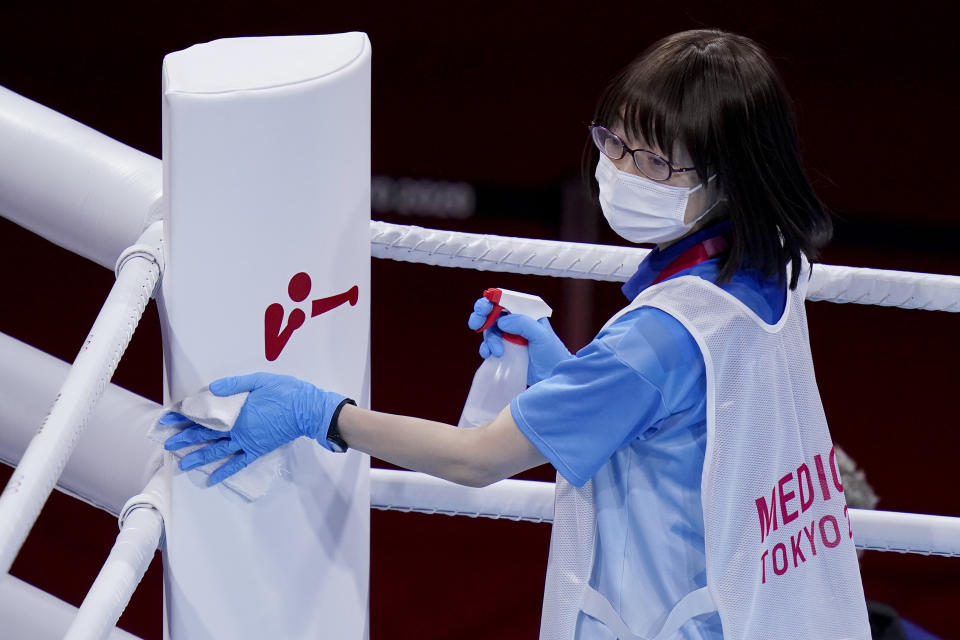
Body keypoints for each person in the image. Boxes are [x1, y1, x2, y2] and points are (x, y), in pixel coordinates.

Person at [163, 29, 870, 639]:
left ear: (728, 179)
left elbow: (476, 460)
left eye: (654, 162)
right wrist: (576, 379)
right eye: (614, 140)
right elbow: (692, 415)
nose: (618, 169)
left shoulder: (656, 341)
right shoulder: (773, 260)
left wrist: (323, 415)